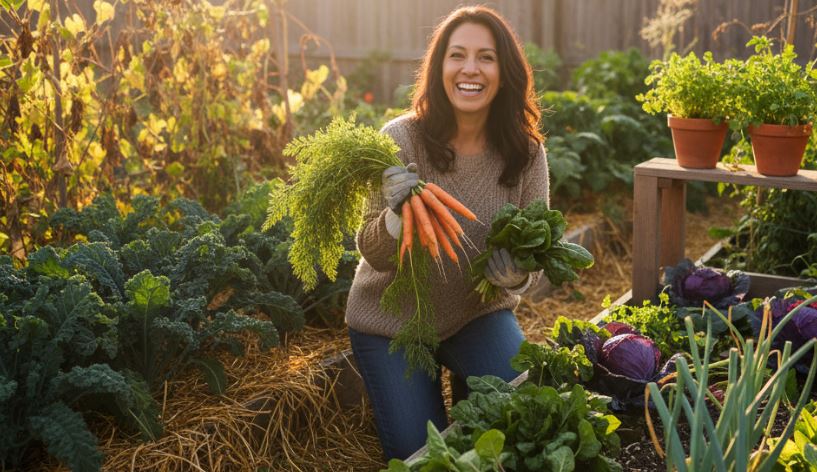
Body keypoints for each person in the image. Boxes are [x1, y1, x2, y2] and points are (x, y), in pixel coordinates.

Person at [345, 5, 549, 460]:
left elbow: (538, 255)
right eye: (457, 55)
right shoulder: (401, 139)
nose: (470, 69)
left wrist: (516, 277)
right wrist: (400, 216)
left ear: (505, 72)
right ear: (439, 68)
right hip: (392, 322)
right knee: (424, 457)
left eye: (486, 57)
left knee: (522, 420)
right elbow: (373, 253)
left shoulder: (526, 154)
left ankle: (470, 380)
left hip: (476, 315)